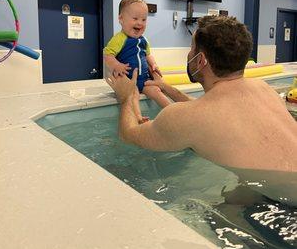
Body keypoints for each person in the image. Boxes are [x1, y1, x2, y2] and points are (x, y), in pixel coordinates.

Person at [106, 15, 297, 206]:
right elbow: (211, 112)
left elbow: (128, 134)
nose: (189, 54)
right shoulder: (263, 89)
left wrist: (127, 96)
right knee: (236, 197)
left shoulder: (189, 117)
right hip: (284, 190)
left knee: (225, 208)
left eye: (191, 49)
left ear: (201, 60)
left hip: (288, 207)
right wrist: (165, 87)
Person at [104, 0, 171, 123]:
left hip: (144, 80)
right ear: (121, 19)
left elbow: (148, 55)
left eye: (144, 19)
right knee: (133, 94)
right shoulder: (119, 39)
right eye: (135, 18)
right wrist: (117, 65)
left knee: (156, 90)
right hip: (128, 81)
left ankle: (173, 111)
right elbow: (107, 55)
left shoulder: (144, 40)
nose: (140, 23)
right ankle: (139, 117)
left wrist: (154, 65)